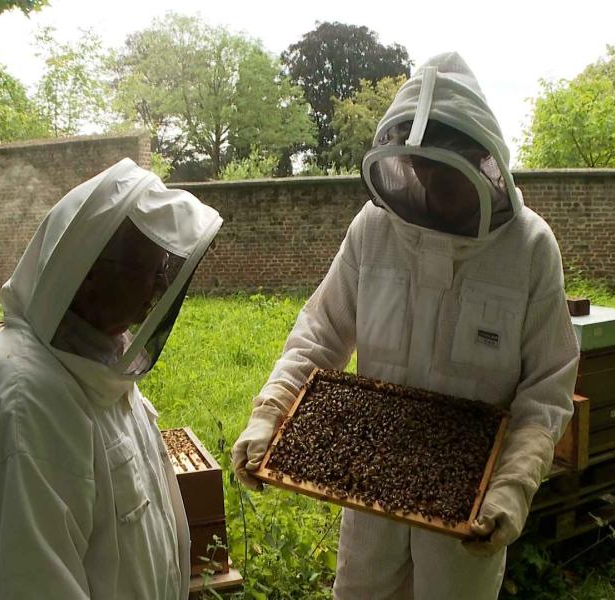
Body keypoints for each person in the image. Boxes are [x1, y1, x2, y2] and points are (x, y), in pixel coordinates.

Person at [232, 52, 579, 599]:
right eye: (419, 173)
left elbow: (547, 386)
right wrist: (272, 411)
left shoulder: (530, 249)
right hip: (370, 497)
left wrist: (511, 484)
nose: (429, 190)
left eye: (444, 176)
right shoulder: (375, 228)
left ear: (482, 162)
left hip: (465, 506)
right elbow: (320, 333)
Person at [0, 158, 223, 599]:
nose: (159, 291)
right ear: (90, 274)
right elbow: (39, 584)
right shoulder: (29, 401)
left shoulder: (97, 358)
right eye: (151, 272)